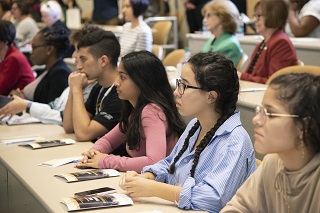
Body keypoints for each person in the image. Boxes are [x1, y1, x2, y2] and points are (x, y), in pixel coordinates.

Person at [119, 52, 257, 212]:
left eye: (184, 85)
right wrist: (147, 177)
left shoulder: (234, 141)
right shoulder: (195, 125)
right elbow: (170, 163)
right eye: (179, 83)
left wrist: (154, 189)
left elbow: (212, 199)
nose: (177, 92)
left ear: (211, 96)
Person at [221, 72, 320, 212]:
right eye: (260, 110)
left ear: (304, 126)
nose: (256, 120)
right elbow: (237, 208)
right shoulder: (273, 162)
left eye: (270, 114)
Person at [75, 51, 186, 172]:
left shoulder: (152, 111)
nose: (116, 83)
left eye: (122, 77)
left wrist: (105, 160)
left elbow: (153, 162)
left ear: (142, 81)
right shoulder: (135, 110)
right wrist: (93, 153)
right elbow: (108, 141)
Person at [0, 24, 101, 124]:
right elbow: (53, 107)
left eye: (34, 47)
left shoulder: (62, 74)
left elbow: (62, 118)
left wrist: (26, 105)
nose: (74, 55)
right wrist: (24, 103)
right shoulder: (54, 72)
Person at [63, 30, 123, 143]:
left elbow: (83, 134)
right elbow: (69, 126)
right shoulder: (98, 88)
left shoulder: (120, 93)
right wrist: (73, 88)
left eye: (83, 59)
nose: (79, 66)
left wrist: (76, 90)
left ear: (103, 61)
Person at [239, 0, 298, 84]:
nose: (254, 20)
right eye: (254, 15)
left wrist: (242, 76)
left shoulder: (281, 43)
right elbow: (250, 74)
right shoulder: (264, 42)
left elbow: (274, 81)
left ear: (273, 16)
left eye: (258, 16)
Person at [10, 25, 70, 104]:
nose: (31, 52)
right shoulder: (48, 69)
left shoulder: (60, 74)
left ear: (49, 49)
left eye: (34, 47)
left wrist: (24, 103)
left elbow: (52, 111)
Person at [201, 0, 243, 67]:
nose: (204, 20)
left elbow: (222, 74)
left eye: (208, 15)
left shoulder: (231, 45)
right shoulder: (212, 40)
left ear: (222, 16)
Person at [0, 20, 35, 96]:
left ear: (5, 42)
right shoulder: (8, 54)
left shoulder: (13, 58)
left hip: (20, 102)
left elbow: (1, 88)